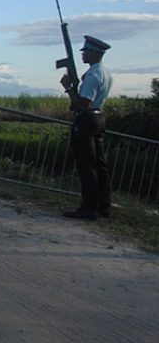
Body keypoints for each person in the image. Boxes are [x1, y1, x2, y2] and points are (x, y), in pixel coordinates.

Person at [60, 35, 113, 220]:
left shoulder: (92, 75)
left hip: (87, 120)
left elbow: (82, 104)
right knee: (100, 165)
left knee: (87, 166)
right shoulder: (104, 72)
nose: (83, 55)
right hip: (98, 118)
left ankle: (88, 207)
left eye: (85, 52)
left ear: (92, 53)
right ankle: (103, 206)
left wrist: (69, 88)